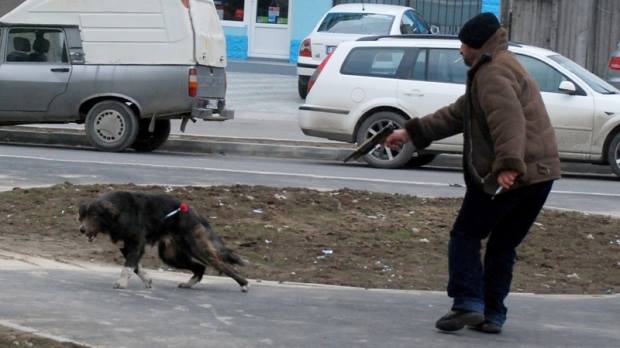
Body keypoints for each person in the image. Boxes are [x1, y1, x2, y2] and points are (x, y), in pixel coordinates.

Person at [384, 12, 561, 334]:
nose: (460, 51)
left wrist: (508, 166)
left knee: (465, 235)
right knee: (502, 246)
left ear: (477, 46)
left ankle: (467, 302)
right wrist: (411, 132)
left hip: (513, 176)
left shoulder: (492, 73)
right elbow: (457, 114)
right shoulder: (501, 65)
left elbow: (508, 120)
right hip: (541, 175)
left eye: (463, 45)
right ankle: (492, 314)